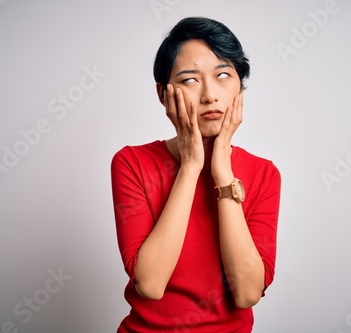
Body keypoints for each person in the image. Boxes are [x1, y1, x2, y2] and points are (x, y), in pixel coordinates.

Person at [111, 16, 281, 332]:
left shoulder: (264, 174)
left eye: (223, 76)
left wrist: (221, 171)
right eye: (190, 80)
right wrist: (191, 165)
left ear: (240, 89)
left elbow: (247, 293)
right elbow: (150, 284)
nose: (210, 96)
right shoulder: (132, 162)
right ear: (163, 94)